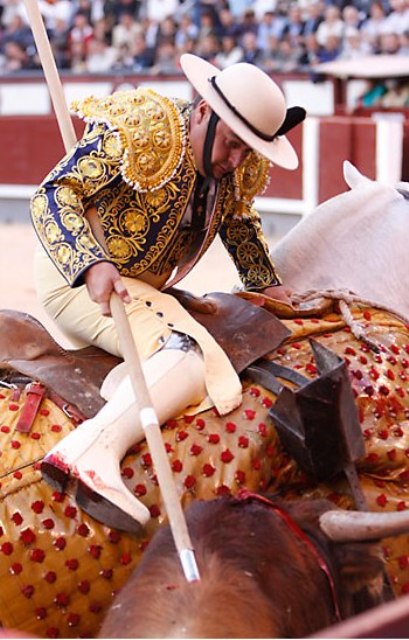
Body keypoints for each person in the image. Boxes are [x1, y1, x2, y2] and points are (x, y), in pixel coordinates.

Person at [30, 53, 306, 533]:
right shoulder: (145, 129)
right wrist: (89, 261)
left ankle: (125, 392)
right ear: (202, 112)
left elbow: (239, 224)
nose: (235, 160)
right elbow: (54, 193)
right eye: (231, 144)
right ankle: (89, 451)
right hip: (80, 280)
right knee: (188, 356)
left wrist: (267, 282)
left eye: (247, 151)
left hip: (140, 287)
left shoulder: (236, 165)